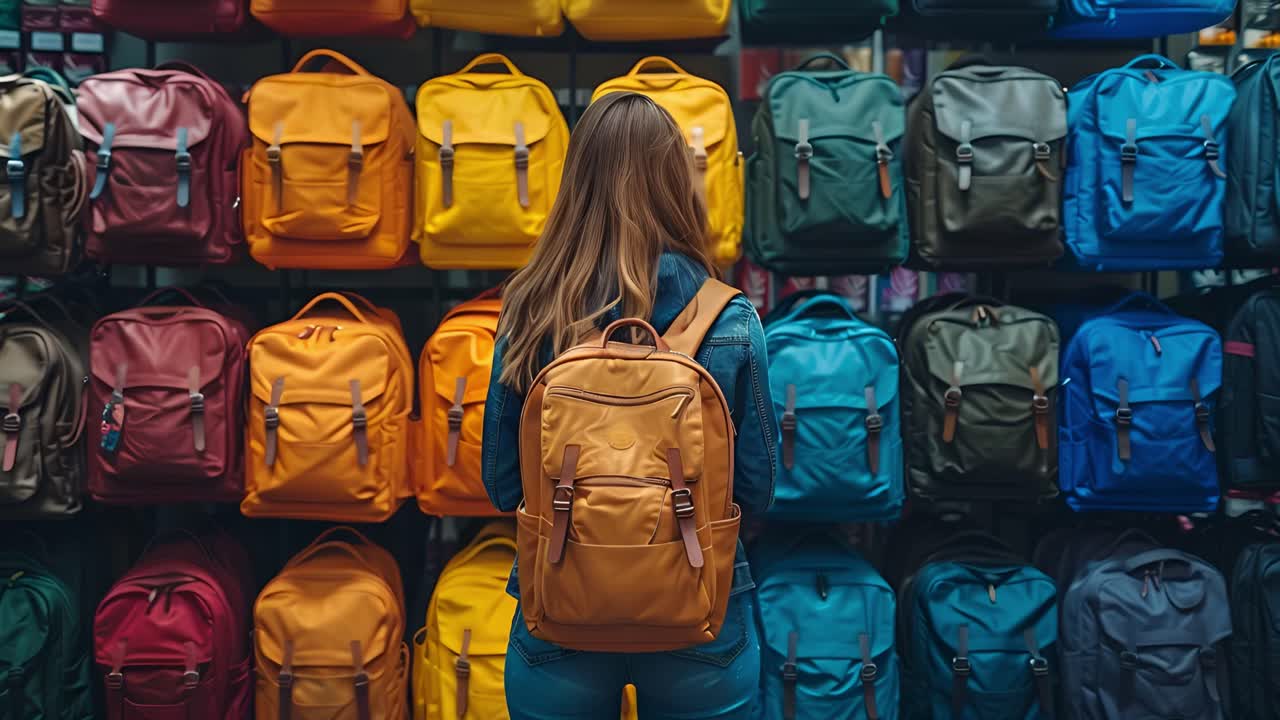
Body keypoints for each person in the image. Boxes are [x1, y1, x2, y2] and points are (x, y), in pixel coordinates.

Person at [481, 90, 778, 720]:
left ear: (575, 182)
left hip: (560, 602)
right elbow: (757, 488)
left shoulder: (529, 311)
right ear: (678, 184)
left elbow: (503, 486)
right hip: (699, 603)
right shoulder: (729, 318)